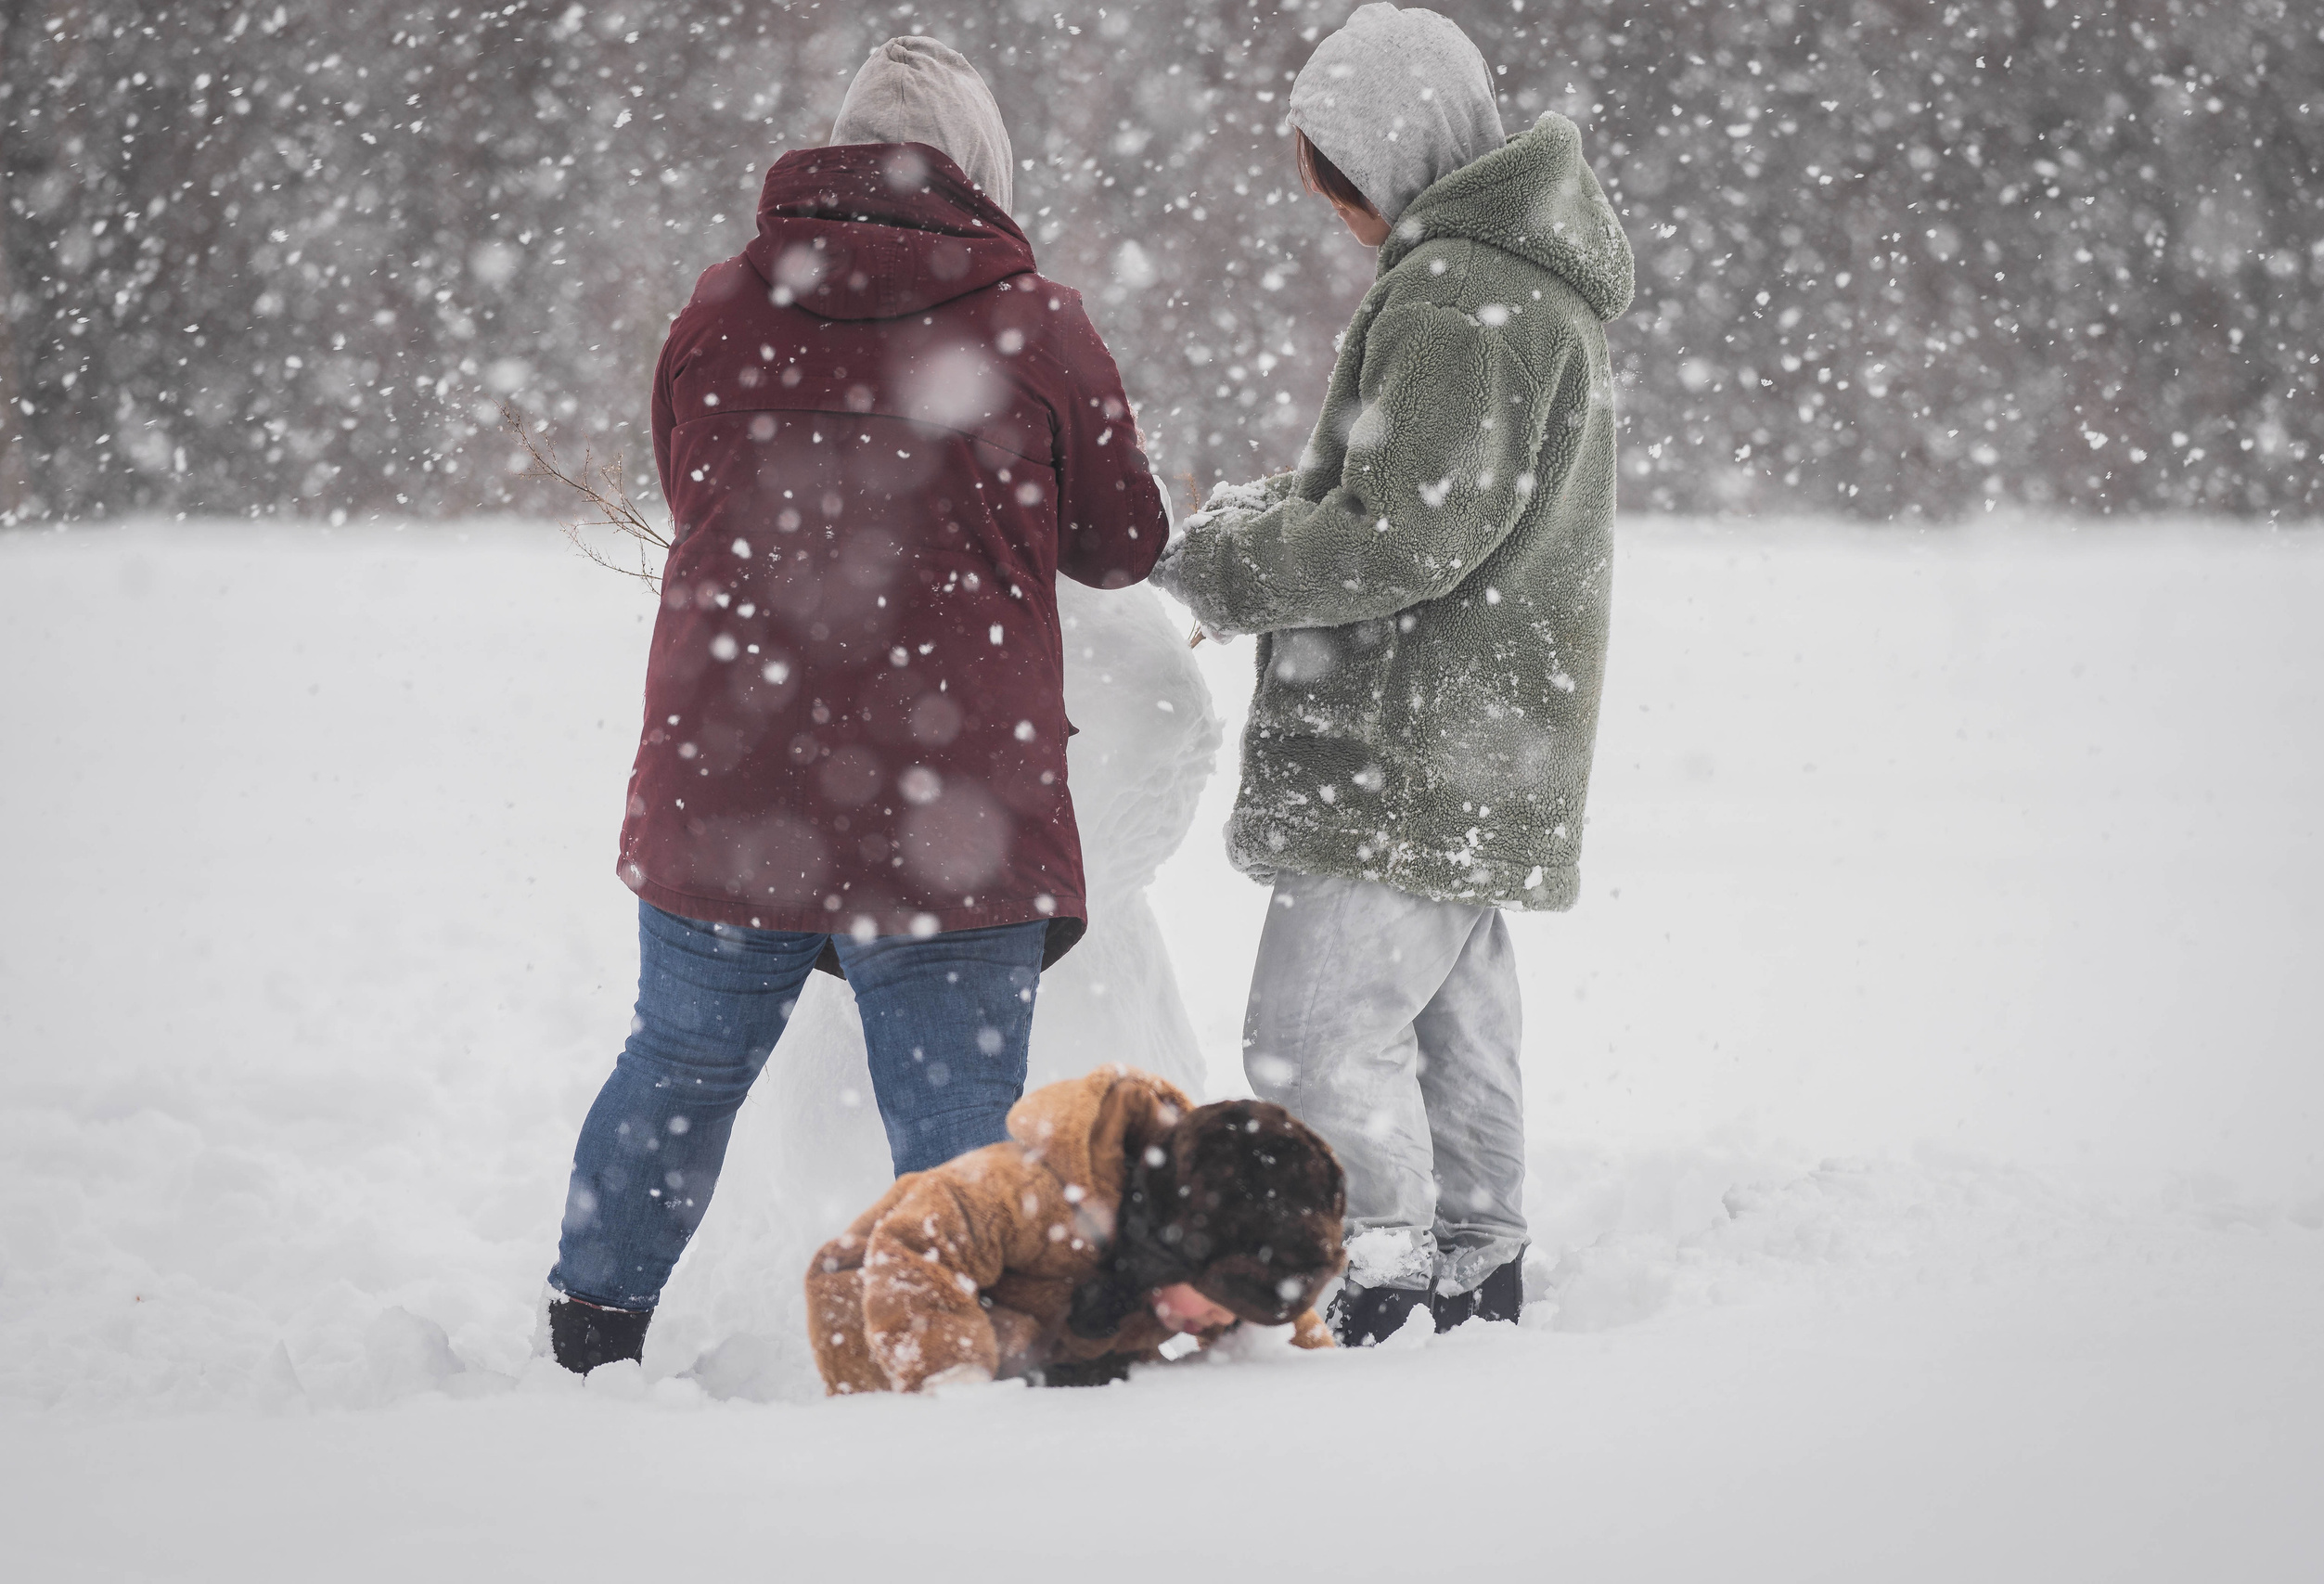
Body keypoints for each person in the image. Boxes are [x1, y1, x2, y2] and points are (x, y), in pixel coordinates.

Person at [547, 36, 1170, 1374]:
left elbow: (689, 480)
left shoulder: (719, 309)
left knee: (681, 1065)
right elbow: (1124, 543)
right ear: (981, 172)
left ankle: (590, 1337)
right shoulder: (1036, 323)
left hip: (735, 782)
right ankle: (946, 1361)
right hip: (954, 804)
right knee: (954, 1118)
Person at [1149, 4, 1636, 1346]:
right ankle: (1478, 1262)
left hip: (1402, 744)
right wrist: (1269, 517)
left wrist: (1222, 568)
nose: (1328, 201)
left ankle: (1384, 1277)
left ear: (1384, 154)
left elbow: (1401, 535)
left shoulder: (1455, 296)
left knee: (1309, 1034)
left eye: (1330, 170)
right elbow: (1424, 505)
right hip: (1490, 734)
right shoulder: (1530, 284)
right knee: (1449, 1022)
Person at [807, 1065, 1344, 1393]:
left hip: (1059, 1341)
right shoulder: (1032, 1193)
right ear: (1171, 1247)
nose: (1223, 1320)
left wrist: (1316, 1367)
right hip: (887, 1309)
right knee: (1004, 1364)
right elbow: (917, 1242)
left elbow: (1276, 1312)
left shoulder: (1205, 1260)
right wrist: (953, 1384)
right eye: (1219, 1301)